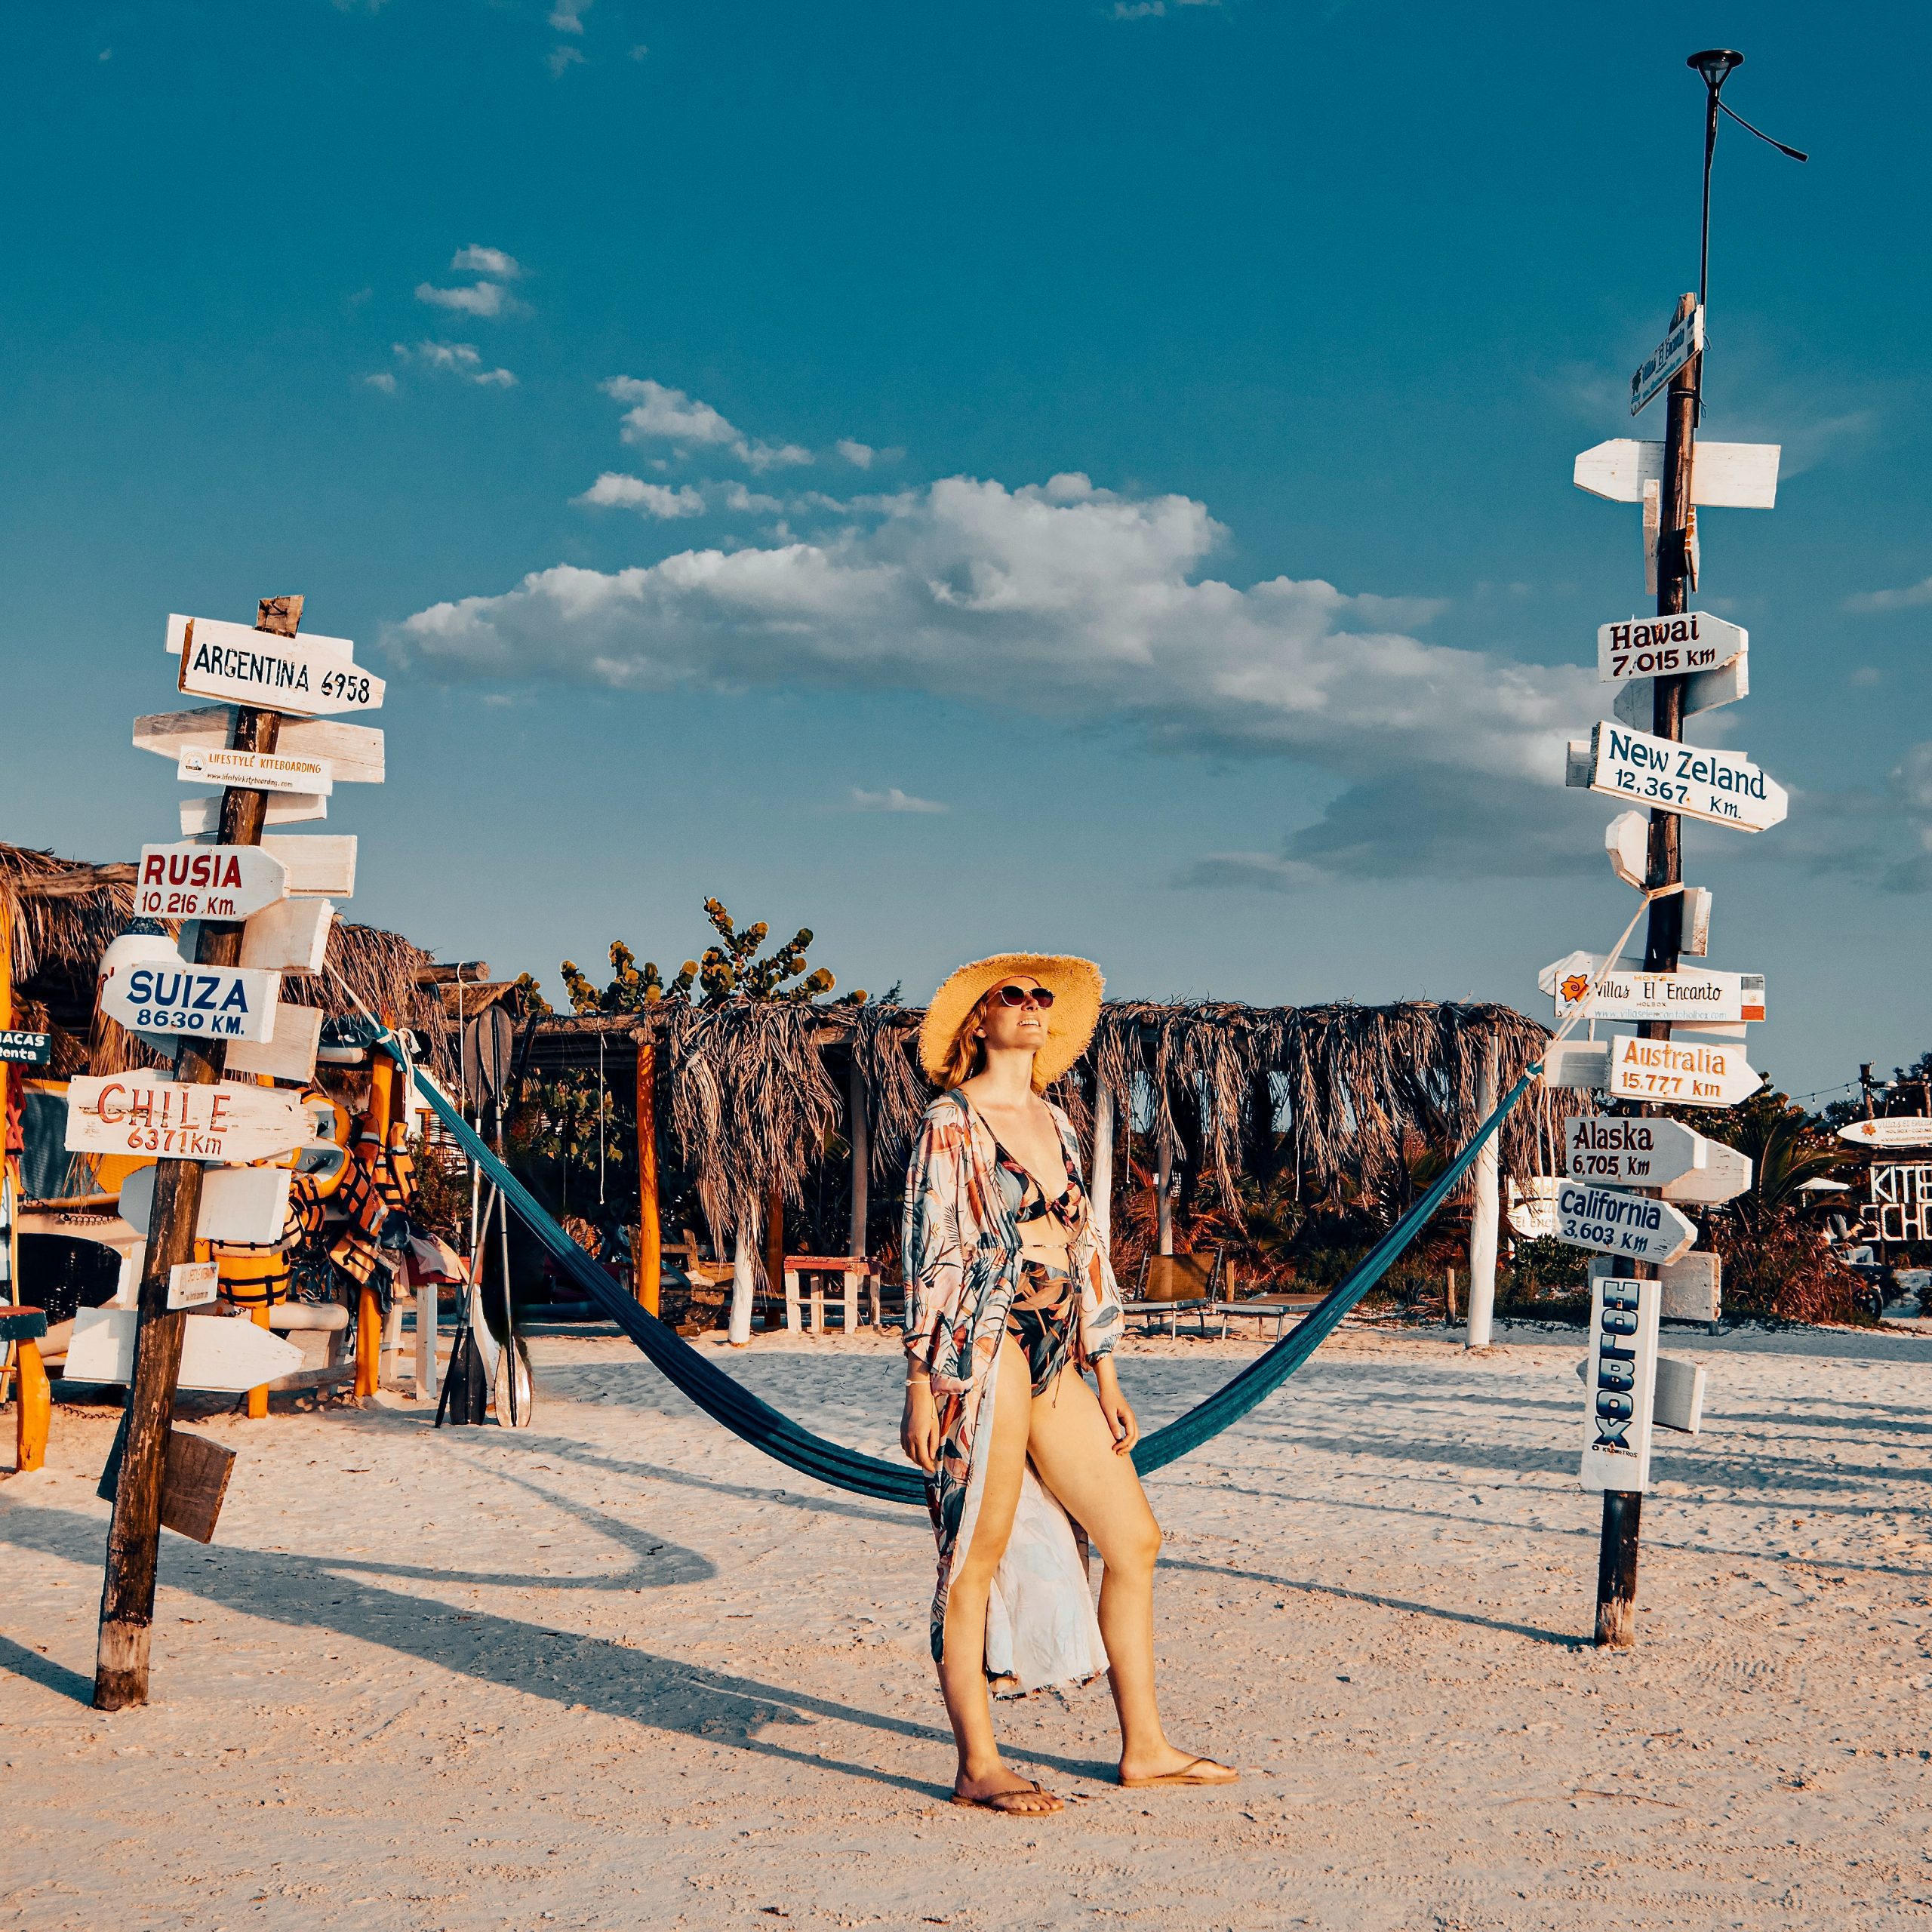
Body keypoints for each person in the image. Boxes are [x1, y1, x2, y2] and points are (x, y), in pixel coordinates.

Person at [900, 952, 1238, 1816]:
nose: (1031, 1007)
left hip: (1062, 1345)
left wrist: (1108, 1366)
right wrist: (919, 1381)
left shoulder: (1058, 1122)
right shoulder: (950, 1121)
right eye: (1011, 995)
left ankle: (1146, 1747)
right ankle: (979, 1760)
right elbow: (927, 1254)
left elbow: (1088, 1252)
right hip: (986, 1343)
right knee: (974, 1550)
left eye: (1041, 996)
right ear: (976, 1020)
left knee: (1136, 1537)